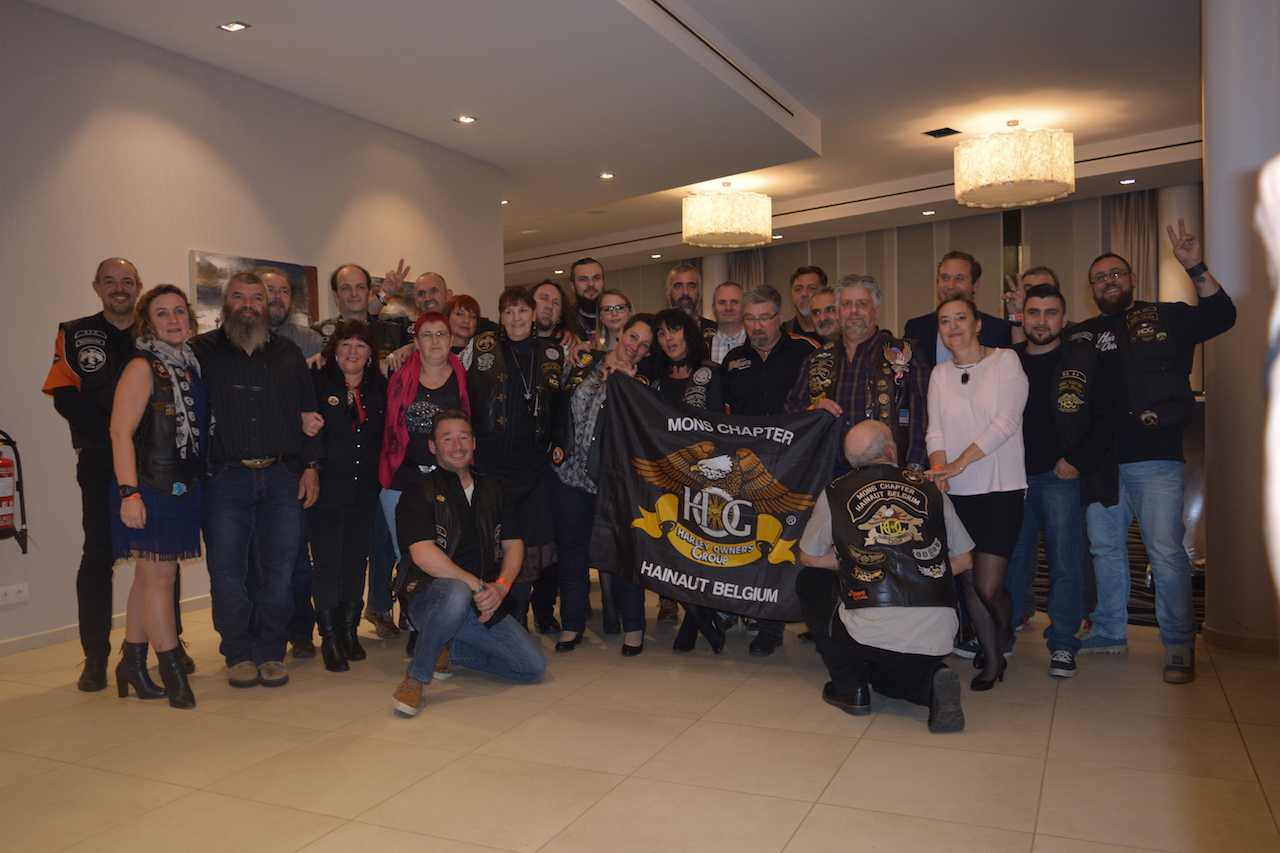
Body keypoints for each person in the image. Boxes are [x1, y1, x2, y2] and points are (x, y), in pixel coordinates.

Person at [1075, 221, 1236, 683]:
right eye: (1100, 278)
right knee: (1105, 549)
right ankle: (1110, 630)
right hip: (1102, 462)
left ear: (1131, 280)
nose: (1109, 281)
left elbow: (1222, 315)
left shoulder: (1165, 318)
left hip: (1156, 456)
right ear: (1091, 290)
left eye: (1116, 274)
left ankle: (1179, 642)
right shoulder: (1083, 335)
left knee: (1165, 552)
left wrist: (1195, 266)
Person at [797, 420, 973, 732]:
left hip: (871, 635)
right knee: (889, 676)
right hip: (937, 634)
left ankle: (851, 688)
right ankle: (932, 682)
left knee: (810, 581)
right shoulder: (930, 488)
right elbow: (964, 560)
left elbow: (808, 558)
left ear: (851, 460)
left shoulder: (835, 493)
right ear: (891, 451)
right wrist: (923, 572)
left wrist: (848, 562)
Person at [192, 272, 321, 689]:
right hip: (224, 479)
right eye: (239, 296)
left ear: (267, 307)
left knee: (279, 573)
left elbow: (309, 413)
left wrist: (311, 467)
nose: (248, 305)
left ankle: (270, 652)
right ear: (225, 304)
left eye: (256, 298)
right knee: (227, 573)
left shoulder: (287, 353)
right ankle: (238, 653)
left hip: (282, 477)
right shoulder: (200, 352)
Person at [43, 258, 164, 692]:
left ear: (138, 287)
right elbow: (64, 398)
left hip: (153, 463)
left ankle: (169, 646)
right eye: (110, 282)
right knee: (98, 555)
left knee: (160, 556)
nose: (119, 289)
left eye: (127, 282)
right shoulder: (74, 333)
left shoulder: (154, 334)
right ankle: (95, 657)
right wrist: (118, 436)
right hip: (98, 461)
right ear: (96, 287)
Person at [391, 411, 546, 716]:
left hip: (482, 600)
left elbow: (514, 544)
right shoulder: (417, 492)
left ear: (474, 443)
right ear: (433, 446)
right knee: (456, 590)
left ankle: (447, 646)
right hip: (430, 597)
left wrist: (501, 587)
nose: (457, 445)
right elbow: (422, 555)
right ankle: (416, 677)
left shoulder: (493, 488)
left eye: (463, 437)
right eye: (447, 439)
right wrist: (476, 585)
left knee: (532, 668)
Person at [998, 280, 1113, 678]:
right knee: (1011, 564)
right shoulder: (1006, 361)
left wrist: (1077, 461)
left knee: (1066, 564)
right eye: (1033, 312)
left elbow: (1106, 417)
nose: (1041, 321)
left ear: (1064, 319)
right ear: (1023, 318)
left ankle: (1063, 643)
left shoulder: (1082, 359)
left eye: (1050, 313)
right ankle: (1001, 636)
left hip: (1060, 478)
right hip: (1014, 481)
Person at [108, 284, 206, 709]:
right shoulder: (141, 365)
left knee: (149, 578)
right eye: (162, 313)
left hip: (183, 486)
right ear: (147, 323)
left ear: (190, 318)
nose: (173, 319)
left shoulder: (190, 365)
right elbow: (120, 433)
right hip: (148, 488)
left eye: (179, 311)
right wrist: (129, 494)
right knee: (160, 578)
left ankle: (131, 663)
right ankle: (171, 673)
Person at [924, 295, 1028, 691]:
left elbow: (1005, 422)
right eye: (944, 321)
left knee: (988, 586)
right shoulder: (939, 374)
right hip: (957, 493)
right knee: (967, 582)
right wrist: (940, 470)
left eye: (960, 318)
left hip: (1001, 488)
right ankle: (992, 658)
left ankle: (1003, 633)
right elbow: (935, 431)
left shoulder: (1005, 361)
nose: (953, 327)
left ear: (978, 323)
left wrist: (957, 463)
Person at [550, 314, 656, 656]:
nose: (635, 347)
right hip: (568, 475)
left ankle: (634, 628)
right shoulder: (585, 360)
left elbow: (645, 431)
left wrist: (629, 388)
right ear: (620, 332)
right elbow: (558, 396)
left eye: (644, 345)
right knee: (571, 553)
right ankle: (571, 625)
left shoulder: (644, 383)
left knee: (621, 553)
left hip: (614, 484)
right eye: (633, 337)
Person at [720, 284, 816, 654]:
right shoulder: (733, 361)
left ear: (780, 316)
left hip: (799, 464)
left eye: (764, 318)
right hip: (750, 469)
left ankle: (810, 620)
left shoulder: (806, 351)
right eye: (750, 319)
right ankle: (765, 623)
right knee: (758, 544)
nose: (757, 326)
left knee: (799, 545)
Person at [467, 287, 564, 629]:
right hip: (490, 466)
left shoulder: (554, 353)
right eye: (508, 312)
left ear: (534, 314)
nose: (516, 318)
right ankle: (497, 613)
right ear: (500, 317)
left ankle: (520, 614)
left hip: (533, 467)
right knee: (496, 544)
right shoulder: (481, 347)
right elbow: (447, 364)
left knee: (530, 544)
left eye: (522, 310)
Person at [379, 311, 470, 660]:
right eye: (427, 335)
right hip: (403, 480)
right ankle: (418, 629)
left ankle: (444, 628)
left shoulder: (464, 376)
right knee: (410, 560)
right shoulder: (396, 373)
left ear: (451, 340)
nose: (435, 341)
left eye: (441, 334)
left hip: (449, 482)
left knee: (447, 557)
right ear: (415, 342)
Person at [786, 274, 929, 477]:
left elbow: (923, 419)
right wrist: (813, 409)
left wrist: (915, 471)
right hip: (829, 473)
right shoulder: (817, 358)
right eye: (846, 304)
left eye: (862, 304)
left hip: (889, 473)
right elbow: (790, 409)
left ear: (876, 311)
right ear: (838, 312)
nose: (853, 311)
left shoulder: (905, 355)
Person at [307, 321, 387, 671]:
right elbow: (302, 426)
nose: (353, 351)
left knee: (356, 562)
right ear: (334, 349)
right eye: (346, 344)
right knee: (327, 565)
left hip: (365, 490)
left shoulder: (380, 387)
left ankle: (349, 631)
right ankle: (329, 638)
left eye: (361, 345)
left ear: (370, 353)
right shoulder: (316, 381)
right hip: (326, 489)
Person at [651, 307, 730, 652]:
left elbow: (718, 425)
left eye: (674, 330)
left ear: (689, 334)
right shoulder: (654, 379)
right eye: (662, 333)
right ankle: (699, 618)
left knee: (699, 555)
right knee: (672, 554)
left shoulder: (710, 373)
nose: (668, 338)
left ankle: (692, 624)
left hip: (703, 480)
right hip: (664, 478)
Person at [261, 266, 324, 658]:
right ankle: (260, 634)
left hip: (293, 464)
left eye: (283, 291)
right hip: (245, 469)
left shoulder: (309, 341)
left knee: (297, 555)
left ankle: (301, 631)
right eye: (269, 290)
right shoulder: (232, 342)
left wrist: (311, 465)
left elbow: (315, 407)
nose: (276, 297)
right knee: (256, 560)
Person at [903, 251, 1012, 371]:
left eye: (959, 279)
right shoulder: (916, 328)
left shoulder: (998, 329)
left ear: (976, 284)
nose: (950, 285)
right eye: (945, 278)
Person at [313, 263, 410, 364]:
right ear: (336, 296)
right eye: (346, 288)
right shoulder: (317, 334)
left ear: (369, 293)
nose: (354, 293)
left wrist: (410, 347)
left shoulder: (394, 333)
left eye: (360, 287)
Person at [665, 263, 717, 346]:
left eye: (691, 286)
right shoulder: (656, 331)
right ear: (668, 293)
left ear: (700, 292)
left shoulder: (716, 331)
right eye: (678, 286)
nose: (685, 292)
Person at [782, 265, 827, 344]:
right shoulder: (781, 334)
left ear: (824, 293)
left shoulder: (836, 333)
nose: (804, 294)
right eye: (798, 289)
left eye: (812, 288)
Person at [565, 257, 605, 341]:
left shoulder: (620, 320)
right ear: (573, 287)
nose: (591, 284)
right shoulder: (565, 323)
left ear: (603, 282)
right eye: (583, 279)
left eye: (596, 278)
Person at [708, 280, 746, 363]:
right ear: (713, 309)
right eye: (722, 303)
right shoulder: (702, 346)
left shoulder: (757, 343)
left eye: (734, 302)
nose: (728, 308)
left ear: (745, 307)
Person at [445, 293, 481, 366]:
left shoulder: (481, 356)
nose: (466, 320)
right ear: (447, 318)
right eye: (460, 314)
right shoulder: (438, 352)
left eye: (472, 317)